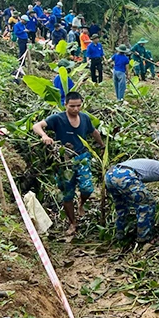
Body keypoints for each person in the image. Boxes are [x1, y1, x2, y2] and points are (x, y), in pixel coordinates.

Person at [32, 92, 105, 236]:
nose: (76, 109)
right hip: (64, 161)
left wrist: (102, 145)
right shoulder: (57, 119)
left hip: (82, 157)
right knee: (67, 194)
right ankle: (72, 223)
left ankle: (81, 203)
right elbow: (37, 126)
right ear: (65, 105)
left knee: (87, 188)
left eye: (79, 106)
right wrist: (45, 136)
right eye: (72, 106)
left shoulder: (84, 118)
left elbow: (93, 132)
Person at [105, 155, 159, 242]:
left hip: (110, 174)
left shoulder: (157, 164)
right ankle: (144, 237)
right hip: (125, 175)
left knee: (122, 205)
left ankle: (120, 234)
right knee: (148, 203)